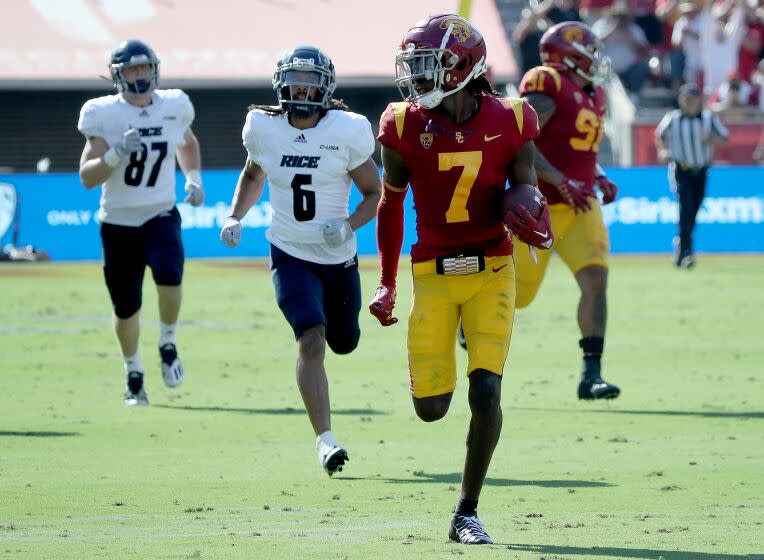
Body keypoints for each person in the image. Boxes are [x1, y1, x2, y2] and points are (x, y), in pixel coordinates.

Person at [369, 14, 553, 545]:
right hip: (433, 272)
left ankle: (466, 511)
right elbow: (390, 205)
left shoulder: (514, 118)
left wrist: (533, 220)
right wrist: (386, 282)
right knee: (430, 409)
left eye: (425, 66)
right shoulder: (402, 125)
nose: (415, 78)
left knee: (487, 389)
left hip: (493, 268)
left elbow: (526, 194)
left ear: (460, 65)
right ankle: (453, 334)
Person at [218, 45, 381, 476]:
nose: (303, 89)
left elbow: (373, 193)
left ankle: (337, 348)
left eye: (312, 81)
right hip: (289, 252)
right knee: (311, 338)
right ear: (282, 83)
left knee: (343, 342)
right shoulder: (264, 128)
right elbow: (254, 173)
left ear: (326, 87)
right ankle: (325, 440)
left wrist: (349, 225)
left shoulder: (347, 130)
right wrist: (235, 215)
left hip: (338, 257)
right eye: (297, 80)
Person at [77, 40, 204, 406]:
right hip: (118, 222)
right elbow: (87, 177)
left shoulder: (173, 105)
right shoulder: (104, 113)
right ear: (118, 74)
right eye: (132, 69)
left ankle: (167, 341)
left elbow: (187, 142)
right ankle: (133, 372)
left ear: (155, 69)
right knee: (126, 305)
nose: (140, 74)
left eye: (144, 67)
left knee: (170, 272)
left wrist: (193, 178)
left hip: (160, 212)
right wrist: (116, 153)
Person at [515, 21, 622, 400]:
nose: (595, 60)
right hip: (538, 206)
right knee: (518, 296)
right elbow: (521, 140)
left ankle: (591, 373)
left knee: (596, 280)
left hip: (580, 203)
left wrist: (599, 173)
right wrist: (560, 179)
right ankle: (467, 328)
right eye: (589, 52)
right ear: (570, 55)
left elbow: (580, 149)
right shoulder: (548, 83)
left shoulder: (593, 93)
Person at [655, 82, 729, 268]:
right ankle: (686, 252)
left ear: (699, 101)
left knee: (694, 208)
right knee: (686, 206)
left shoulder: (708, 118)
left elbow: (724, 139)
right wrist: (663, 151)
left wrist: (710, 139)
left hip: (701, 170)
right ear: (681, 101)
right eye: (686, 100)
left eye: (693, 100)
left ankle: (682, 242)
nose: (690, 103)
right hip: (682, 169)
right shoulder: (673, 118)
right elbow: (660, 134)